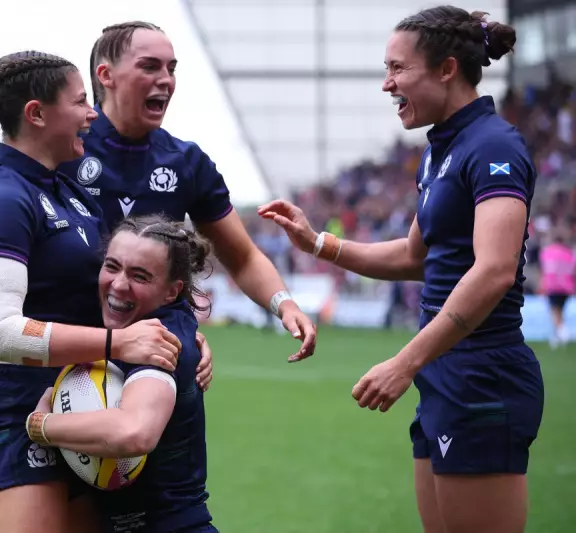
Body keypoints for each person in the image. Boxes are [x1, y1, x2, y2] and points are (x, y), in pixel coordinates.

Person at [259, 7, 543, 533]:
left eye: (396, 68)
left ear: (446, 69)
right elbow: (416, 256)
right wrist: (317, 242)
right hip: (445, 372)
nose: (387, 84)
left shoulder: (493, 145)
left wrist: (404, 362)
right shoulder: (442, 150)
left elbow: (495, 270)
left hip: (482, 373)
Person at [0, 21, 316, 365]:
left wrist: (283, 304)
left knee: (142, 452)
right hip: (70, 350)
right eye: (150, 67)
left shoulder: (188, 163)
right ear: (106, 76)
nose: (166, 80)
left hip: (150, 351)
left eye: (172, 68)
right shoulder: (62, 144)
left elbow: (241, 256)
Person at [0, 50, 185, 533]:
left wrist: (183, 325)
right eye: (79, 102)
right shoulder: (0, 195)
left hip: (79, 395)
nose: (92, 113)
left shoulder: (65, 191)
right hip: (8, 401)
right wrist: (119, 344)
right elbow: (1, 333)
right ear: (37, 114)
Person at [28, 215, 217, 532]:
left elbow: (134, 432)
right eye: (112, 266)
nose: (118, 284)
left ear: (172, 291)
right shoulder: (146, 321)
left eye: (140, 276)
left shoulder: (160, 343)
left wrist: (41, 425)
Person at [539, 226, 574, 348]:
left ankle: (563, 332)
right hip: (566, 287)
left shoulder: (547, 252)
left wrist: (542, 285)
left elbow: (544, 270)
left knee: (555, 311)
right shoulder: (568, 253)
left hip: (553, 286)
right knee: (560, 311)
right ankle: (557, 336)